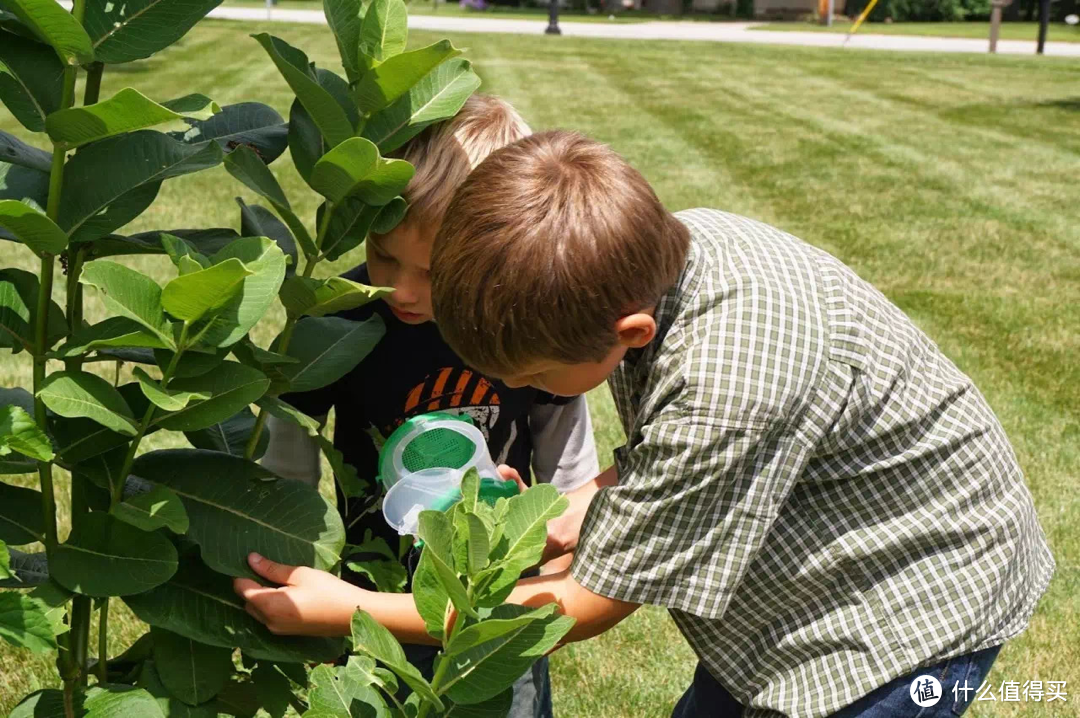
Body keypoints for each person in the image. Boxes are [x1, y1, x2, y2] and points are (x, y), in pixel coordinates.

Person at [238, 131, 1054, 717]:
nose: (518, 390)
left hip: (903, 615)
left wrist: (350, 609)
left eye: (531, 381)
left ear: (628, 335)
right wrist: (570, 508)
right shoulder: (664, 251)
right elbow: (671, 454)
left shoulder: (728, 390)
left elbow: (584, 608)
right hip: (820, 539)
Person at [257, 107, 599, 718]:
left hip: (492, 598)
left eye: (435, 273)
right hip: (367, 590)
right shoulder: (337, 322)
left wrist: (556, 559)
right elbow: (289, 455)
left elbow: (568, 451)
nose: (402, 291)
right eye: (384, 257)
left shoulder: (520, 324)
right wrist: (296, 565)